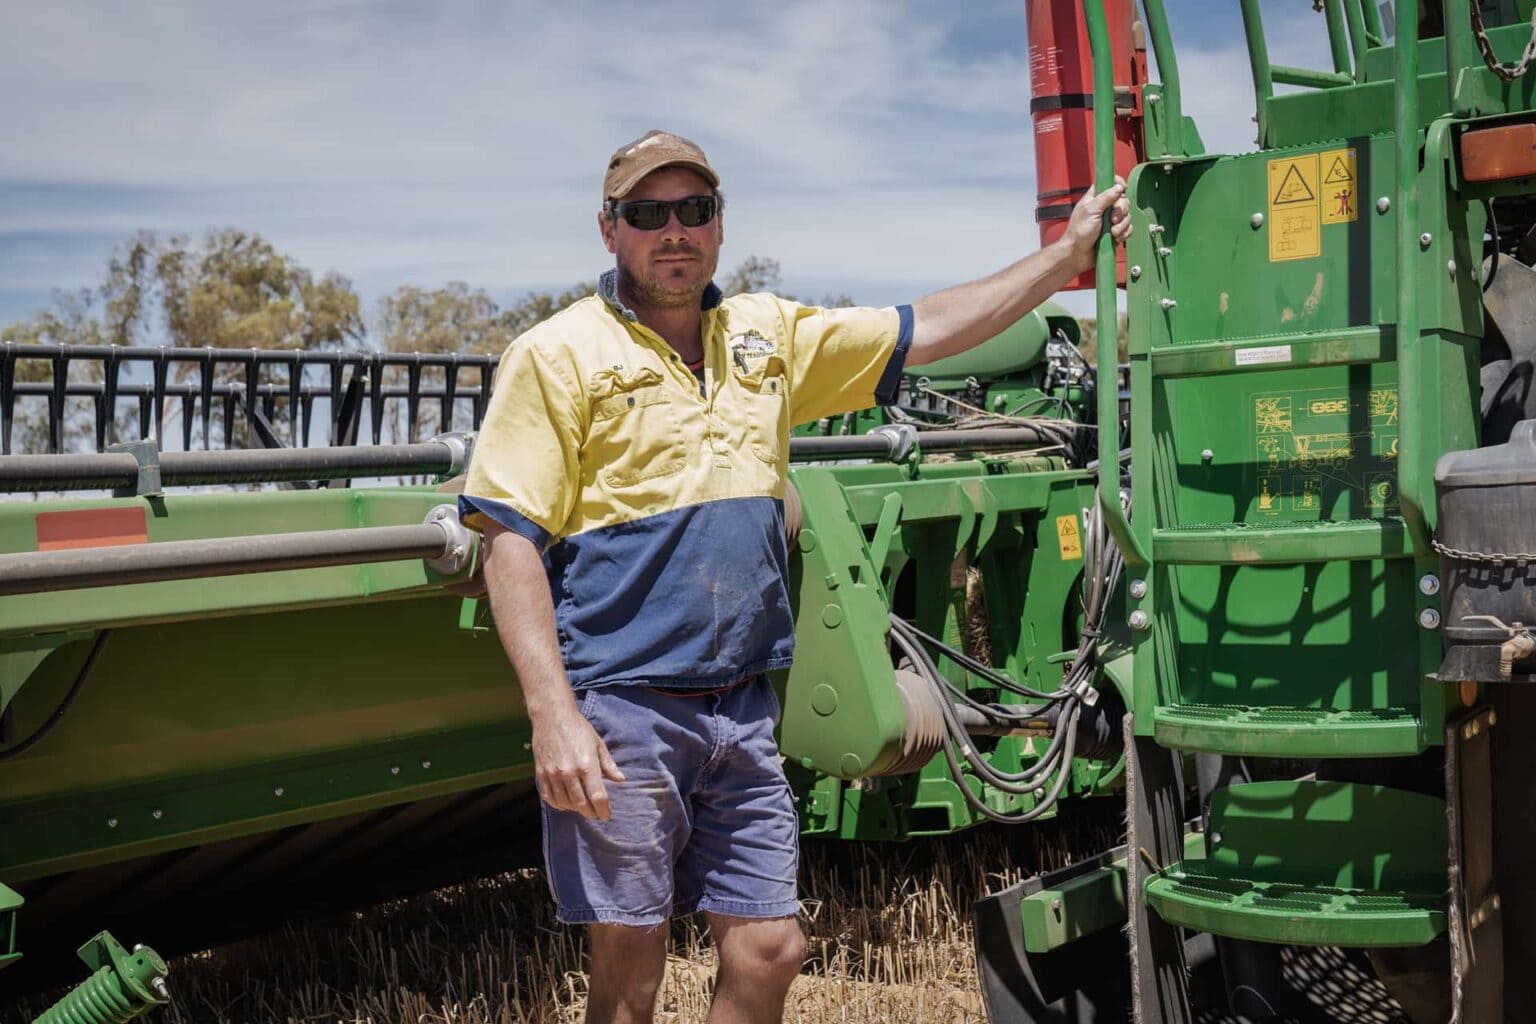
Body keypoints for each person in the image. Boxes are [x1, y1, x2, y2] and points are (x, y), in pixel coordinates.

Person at [459, 128, 1131, 1024]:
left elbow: (926, 328)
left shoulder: (765, 338)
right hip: (624, 704)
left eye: (693, 211)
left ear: (720, 225)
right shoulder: (556, 355)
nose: (674, 231)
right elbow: (509, 538)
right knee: (631, 968)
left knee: (772, 949)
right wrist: (554, 716)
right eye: (647, 213)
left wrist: (1063, 259)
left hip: (743, 703)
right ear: (607, 227)